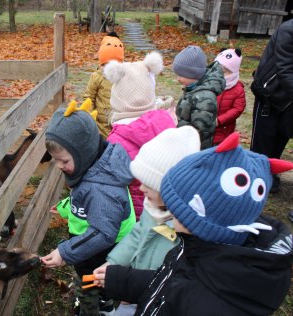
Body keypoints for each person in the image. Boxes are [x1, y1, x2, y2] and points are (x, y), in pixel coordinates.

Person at [93, 132, 293, 315]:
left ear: (199, 219)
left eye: (178, 207)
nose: (173, 211)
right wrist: (122, 279)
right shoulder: (193, 249)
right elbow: (169, 282)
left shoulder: (206, 303)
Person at [41, 99, 135, 316]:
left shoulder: (100, 189)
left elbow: (103, 232)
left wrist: (64, 252)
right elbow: (84, 202)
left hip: (101, 250)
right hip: (93, 244)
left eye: (63, 161)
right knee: (96, 280)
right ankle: (102, 299)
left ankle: (94, 309)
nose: (59, 166)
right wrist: (67, 207)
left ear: (83, 153)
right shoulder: (94, 166)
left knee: (90, 284)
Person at [102, 126, 201, 316]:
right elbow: (138, 233)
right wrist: (114, 264)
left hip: (161, 297)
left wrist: (131, 284)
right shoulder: (152, 206)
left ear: (172, 189)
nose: (141, 189)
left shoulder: (188, 230)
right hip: (135, 285)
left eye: (149, 184)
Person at [104, 51, 176, 219]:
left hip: (133, 215)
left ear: (117, 98)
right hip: (167, 209)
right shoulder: (168, 124)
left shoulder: (115, 140)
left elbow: (111, 183)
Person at [250, 19, 293, 193]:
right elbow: (285, 68)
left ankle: (270, 172)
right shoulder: (288, 30)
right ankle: (255, 175)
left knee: (281, 135)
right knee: (262, 140)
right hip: (270, 93)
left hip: (289, 99)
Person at [172, 45, 225, 149]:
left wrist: (177, 124)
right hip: (186, 143)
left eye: (181, 75)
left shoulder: (204, 98)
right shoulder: (194, 89)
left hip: (195, 149)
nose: (178, 79)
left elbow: (199, 131)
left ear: (193, 74)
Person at [83, 32, 124, 138]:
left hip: (120, 121)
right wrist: (91, 118)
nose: (109, 68)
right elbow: (88, 98)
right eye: (105, 65)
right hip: (101, 124)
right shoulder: (97, 76)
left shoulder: (124, 75)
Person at [213, 48, 246, 145]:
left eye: (226, 72)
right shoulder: (210, 82)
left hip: (223, 130)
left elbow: (238, 109)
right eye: (219, 70)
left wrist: (220, 120)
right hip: (206, 128)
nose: (222, 75)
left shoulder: (238, 89)